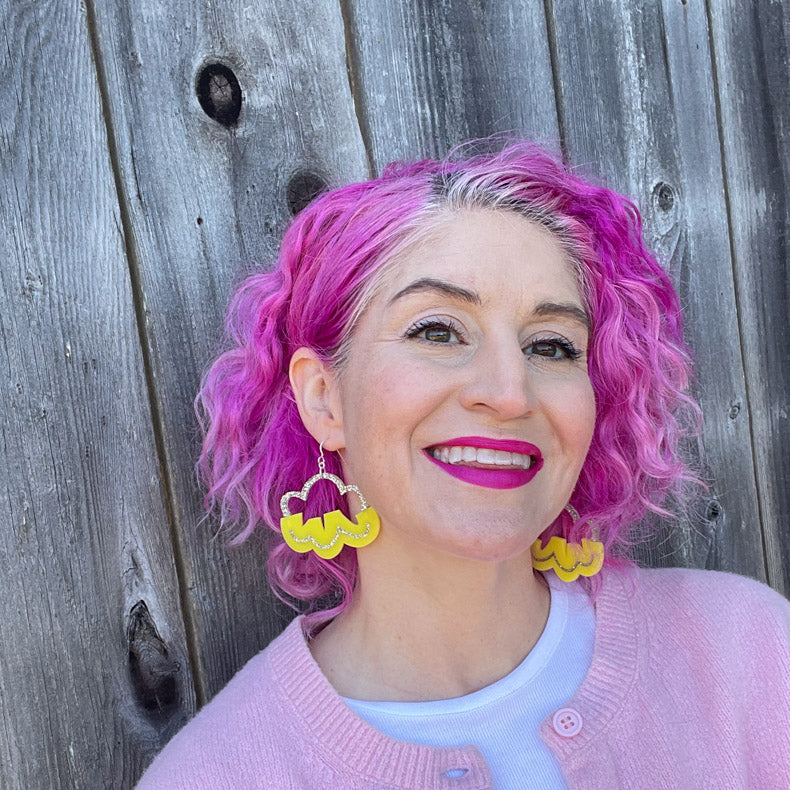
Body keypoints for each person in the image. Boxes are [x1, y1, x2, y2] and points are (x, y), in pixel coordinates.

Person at [135, 140, 790, 789]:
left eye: (552, 345)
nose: (509, 392)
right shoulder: (215, 774)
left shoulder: (748, 654)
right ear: (323, 399)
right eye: (438, 331)